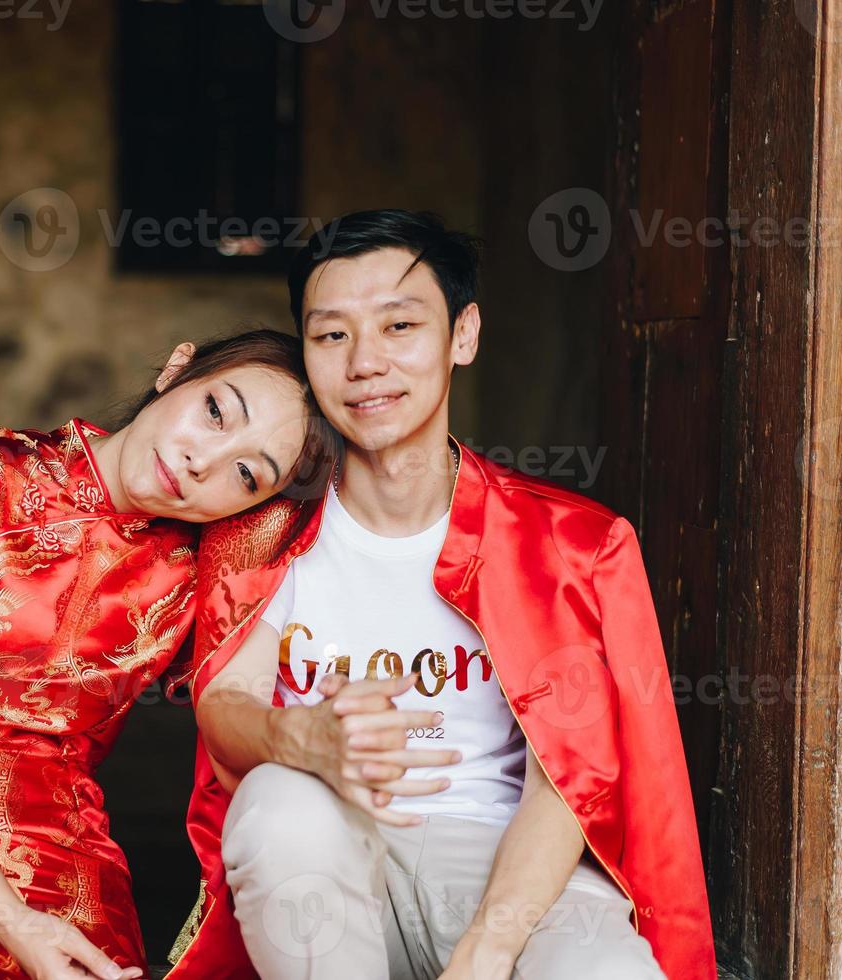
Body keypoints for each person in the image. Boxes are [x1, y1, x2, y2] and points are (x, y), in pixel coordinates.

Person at [162, 211, 717, 980]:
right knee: (279, 806)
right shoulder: (266, 534)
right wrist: (305, 741)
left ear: (463, 335)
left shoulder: (564, 545)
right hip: (334, 858)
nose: (365, 363)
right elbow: (225, 707)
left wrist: (489, 950)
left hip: (508, 872)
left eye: (399, 326)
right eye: (332, 336)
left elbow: (569, 780)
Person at [0, 329, 421, 980]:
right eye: (217, 411)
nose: (205, 461)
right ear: (177, 369)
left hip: (60, 843)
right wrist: (11, 920)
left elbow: (251, 695)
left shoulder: (197, 570)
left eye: (247, 474)